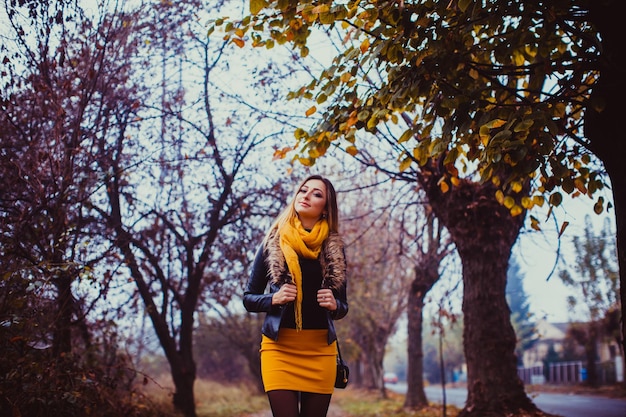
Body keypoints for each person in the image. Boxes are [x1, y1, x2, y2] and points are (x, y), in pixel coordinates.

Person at [243, 175, 348, 417]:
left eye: (316, 194)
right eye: (303, 190)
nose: (306, 196)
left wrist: (334, 305)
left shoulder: (333, 248)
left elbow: (343, 306)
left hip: (320, 351)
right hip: (279, 350)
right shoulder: (273, 242)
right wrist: (273, 299)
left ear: (325, 208)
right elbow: (248, 297)